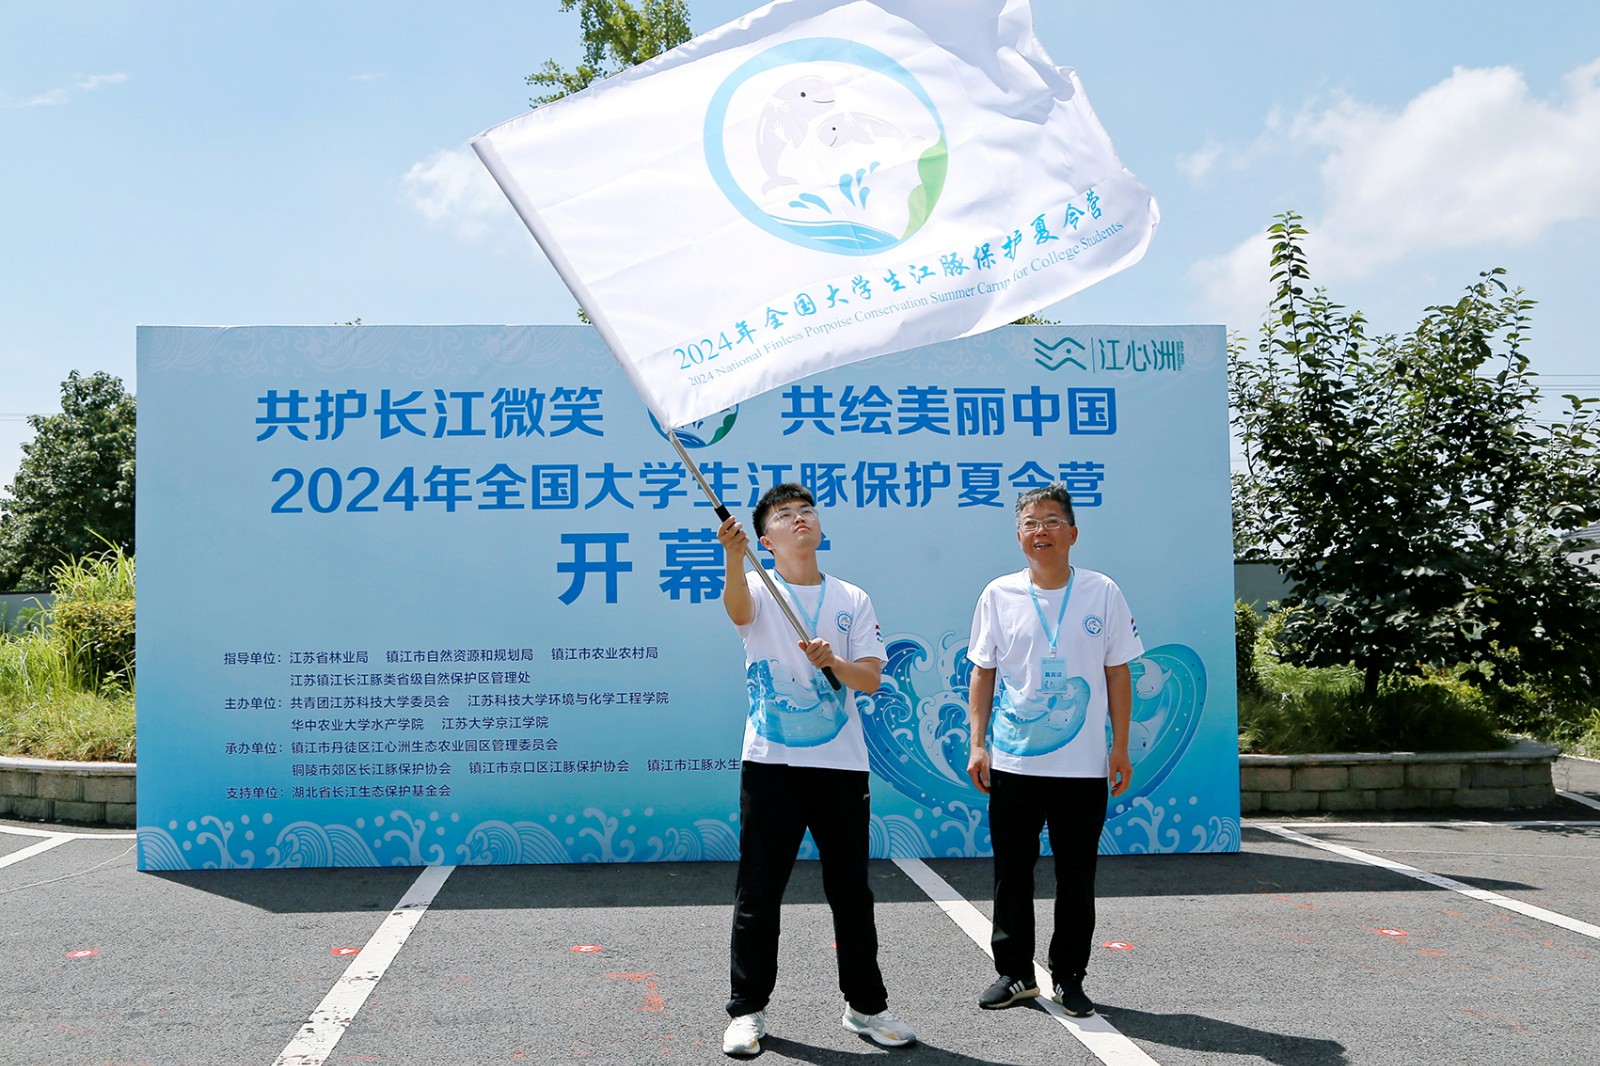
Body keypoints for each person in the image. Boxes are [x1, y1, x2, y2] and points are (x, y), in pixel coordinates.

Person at [714, 483, 917, 1057]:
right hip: (772, 764)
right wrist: (732, 557)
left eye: (807, 510)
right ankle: (747, 1010)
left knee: (851, 893)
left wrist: (835, 662)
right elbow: (737, 613)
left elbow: (870, 678)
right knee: (759, 892)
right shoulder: (756, 586)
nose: (800, 518)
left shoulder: (852, 597)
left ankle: (866, 1007)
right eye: (784, 515)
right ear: (765, 539)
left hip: (839, 766)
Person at [965, 483, 1142, 1017]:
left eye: (1051, 521)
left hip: (1082, 766)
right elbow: (983, 673)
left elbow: (1117, 672)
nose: (1040, 531)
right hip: (1014, 761)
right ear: (1018, 535)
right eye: (1030, 523)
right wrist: (978, 743)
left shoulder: (1102, 591)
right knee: (1011, 873)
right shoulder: (998, 594)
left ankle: (1069, 977)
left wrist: (1119, 746)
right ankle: (1015, 973)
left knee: (1076, 877)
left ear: (1072, 533)